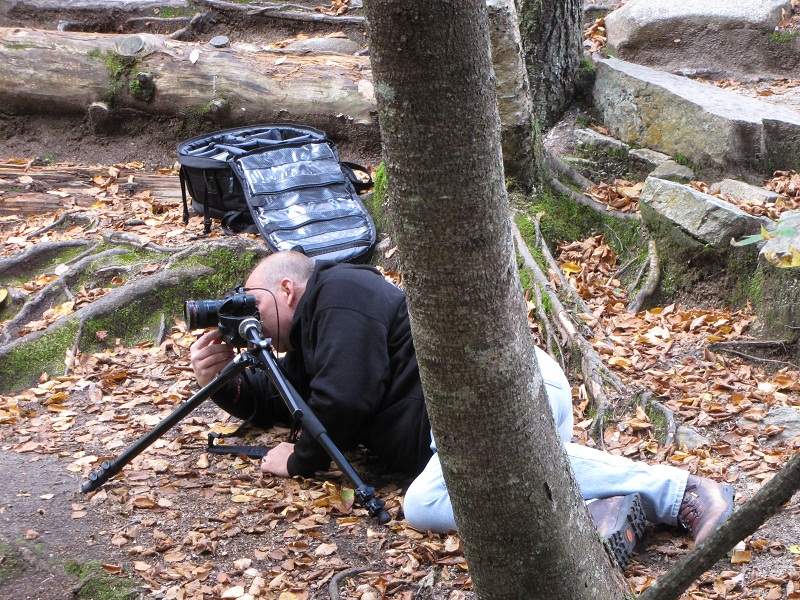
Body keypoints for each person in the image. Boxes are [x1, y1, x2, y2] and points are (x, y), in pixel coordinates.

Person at [190, 251, 734, 547]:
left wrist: (302, 460)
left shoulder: (340, 292)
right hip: (469, 421)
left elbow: (343, 401)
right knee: (497, 480)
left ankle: (683, 489)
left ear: (287, 290)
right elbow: (291, 399)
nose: (245, 316)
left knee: (424, 506)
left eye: (251, 302)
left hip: (498, 392)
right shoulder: (315, 340)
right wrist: (228, 384)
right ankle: (603, 507)